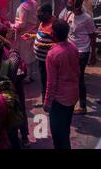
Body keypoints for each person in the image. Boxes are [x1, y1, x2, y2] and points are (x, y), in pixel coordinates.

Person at [44, 19, 79, 149]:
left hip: (60, 99)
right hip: (73, 95)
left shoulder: (53, 54)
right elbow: (77, 71)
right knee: (65, 128)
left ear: (54, 34)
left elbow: (51, 83)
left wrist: (47, 103)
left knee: (59, 136)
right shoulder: (73, 48)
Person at [59, 0, 97, 115]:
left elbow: (92, 36)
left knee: (79, 79)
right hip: (69, 51)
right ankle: (70, 101)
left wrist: (93, 55)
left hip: (82, 52)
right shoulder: (69, 14)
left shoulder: (87, 19)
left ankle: (83, 106)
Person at [23, 3, 55, 106]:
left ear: (47, 14)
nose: (38, 16)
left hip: (50, 60)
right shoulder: (42, 23)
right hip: (41, 59)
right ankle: (44, 101)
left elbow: (58, 44)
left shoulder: (55, 25)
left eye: (40, 13)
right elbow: (40, 35)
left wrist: (41, 44)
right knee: (43, 80)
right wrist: (31, 36)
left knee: (49, 81)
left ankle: (50, 102)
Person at [12, 0, 38, 82]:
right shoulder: (34, 3)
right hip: (32, 33)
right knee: (30, 55)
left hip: (24, 34)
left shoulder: (23, 7)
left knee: (24, 56)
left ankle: (26, 77)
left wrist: (11, 26)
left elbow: (22, 24)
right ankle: (30, 75)